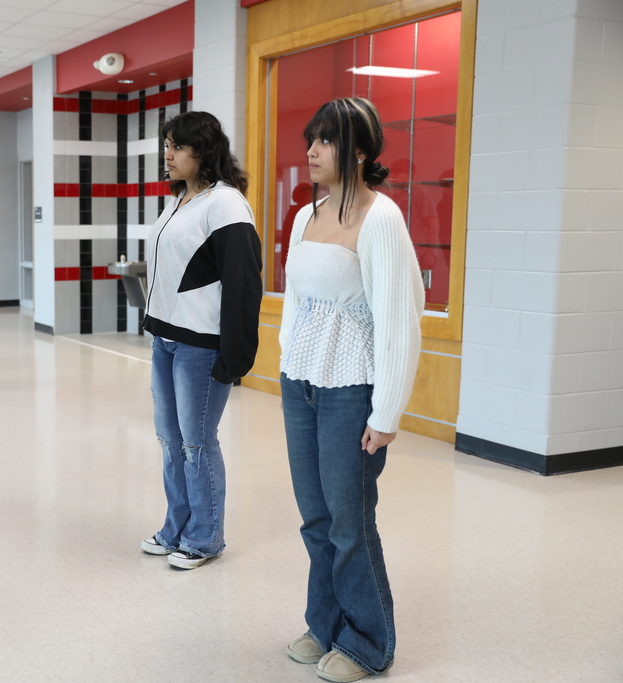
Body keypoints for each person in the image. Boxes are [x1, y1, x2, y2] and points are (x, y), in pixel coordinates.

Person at [278, 97, 424, 682]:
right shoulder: (306, 213)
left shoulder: (382, 217)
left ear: (360, 151)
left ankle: (368, 642)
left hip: (352, 388)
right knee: (314, 517)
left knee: (348, 521)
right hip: (302, 384)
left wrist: (386, 411)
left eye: (326, 141)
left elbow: (399, 319)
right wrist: (289, 362)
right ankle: (324, 625)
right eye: (311, 138)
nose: (311, 150)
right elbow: (295, 300)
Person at [139, 111, 262, 570]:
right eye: (166, 145)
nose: (166, 155)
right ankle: (177, 526)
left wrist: (236, 354)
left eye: (176, 147)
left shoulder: (226, 204)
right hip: (165, 340)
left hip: (201, 345)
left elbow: (245, 282)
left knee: (196, 443)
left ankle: (204, 538)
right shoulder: (179, 200)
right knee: (170, 441)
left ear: (203, 152)